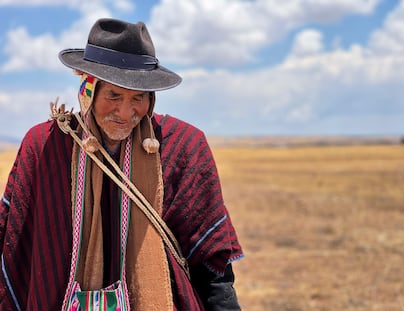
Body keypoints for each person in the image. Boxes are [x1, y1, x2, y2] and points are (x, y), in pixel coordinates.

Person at [0, 18, 244, 310]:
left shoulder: (183, 146)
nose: (126, 112)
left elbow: (211, 264)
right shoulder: (45, 145)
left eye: (138, 98)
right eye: (113, 95)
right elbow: (16, 242)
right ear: (88, 90)